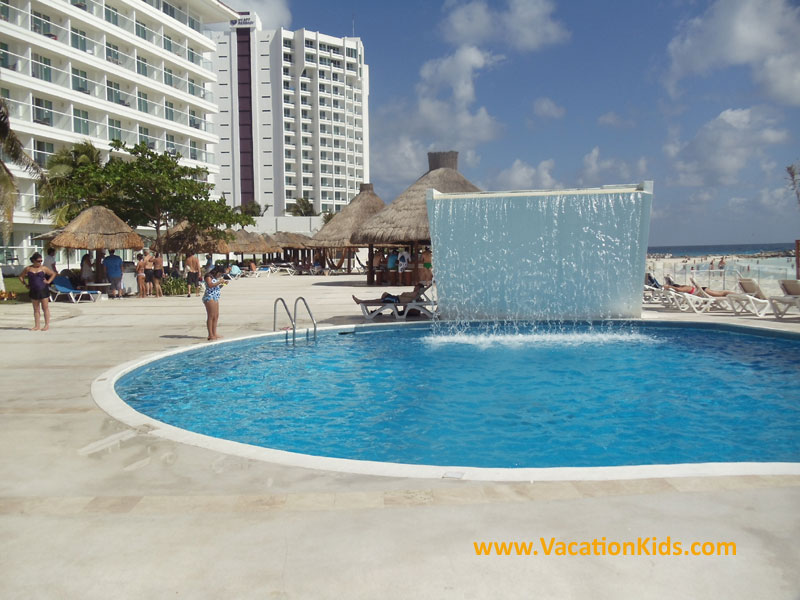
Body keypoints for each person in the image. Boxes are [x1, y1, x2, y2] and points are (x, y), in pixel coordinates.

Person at [19, 252, 56, 331]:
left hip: (43, 289)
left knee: (45, 308)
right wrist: (25, 284)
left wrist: (48, 281)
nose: (40, 262)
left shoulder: (43, 268)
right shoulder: (28, 269)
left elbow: (53, 274)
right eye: (38, 261)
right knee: (36, 309)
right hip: (33, 290)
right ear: (34, 261)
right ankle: (37, 325)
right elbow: (21, 277)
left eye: (41, 261)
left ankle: (46, 325)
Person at [202, 266, 227, 340]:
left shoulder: (215, 278)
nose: (220, 275)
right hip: (209, 297)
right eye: (221, 274)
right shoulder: (208, 276)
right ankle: (210, 334)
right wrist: (219, 281)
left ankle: (214, 332)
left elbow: (215, 287)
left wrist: (222, 284)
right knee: (211, 316)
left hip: (215, 297)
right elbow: (210, 285)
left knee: (216, 315)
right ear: (217, 272)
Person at [352, 283, 427, 305]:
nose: (414, 287)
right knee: (383, 296)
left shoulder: (415, 294)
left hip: (396, 300)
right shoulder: (416, 294)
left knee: (378, 300)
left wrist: (404, 294)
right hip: (395, 299)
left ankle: (360, 301)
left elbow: (403, 294)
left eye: (415, 286)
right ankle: (382, 303)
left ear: (418, 288)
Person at [663, 283, 736, 297]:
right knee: (722, 294)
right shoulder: (684, 288)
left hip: (704, 291)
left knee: (722, 293)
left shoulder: (684, 288)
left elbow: (678, 289)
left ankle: (738, 295)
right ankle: (735, 295)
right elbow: (678, 289)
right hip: (702, 292)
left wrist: (670, 286)